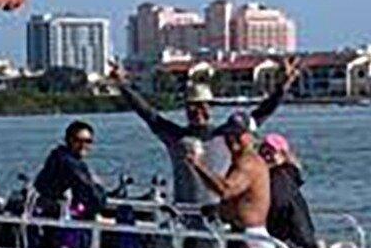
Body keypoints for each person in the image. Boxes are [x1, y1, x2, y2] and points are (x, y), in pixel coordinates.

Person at [110, 61, 296, 215]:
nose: (197, 111)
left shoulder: (226, 135)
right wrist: (122, 85)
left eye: (202, 106)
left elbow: (259, 115)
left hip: (218, 218)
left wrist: (282, 88)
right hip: (184, 217)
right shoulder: (175, 137)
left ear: (210, 108)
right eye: (192, 106)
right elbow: (147, 113)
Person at [185, 117, 277, 248]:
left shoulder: (248, 162)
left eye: (237, 135)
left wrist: (198, 165)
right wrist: (218, 209)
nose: (231, 140)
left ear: (250, 136)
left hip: (250, 239)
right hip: (240, 236)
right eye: (228, 135)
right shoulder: (241, 162)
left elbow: (226, 190)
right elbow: (238, 197)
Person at [30, 120, 114, 248]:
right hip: (56, 221)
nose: (84, 145)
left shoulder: (62, 157)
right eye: (79, 140)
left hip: (55, 217)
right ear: (69, 140)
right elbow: (91, 194)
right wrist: (100, 193)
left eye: (88, 141)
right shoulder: (68, 162)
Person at [260, 132, 328, 248]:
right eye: (263, 150)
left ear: (282, 154)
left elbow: (278, 208)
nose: (266, 155)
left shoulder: (278, 179)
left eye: (271, 151)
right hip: (303, 242)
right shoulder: (289, 176)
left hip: (294, 243)